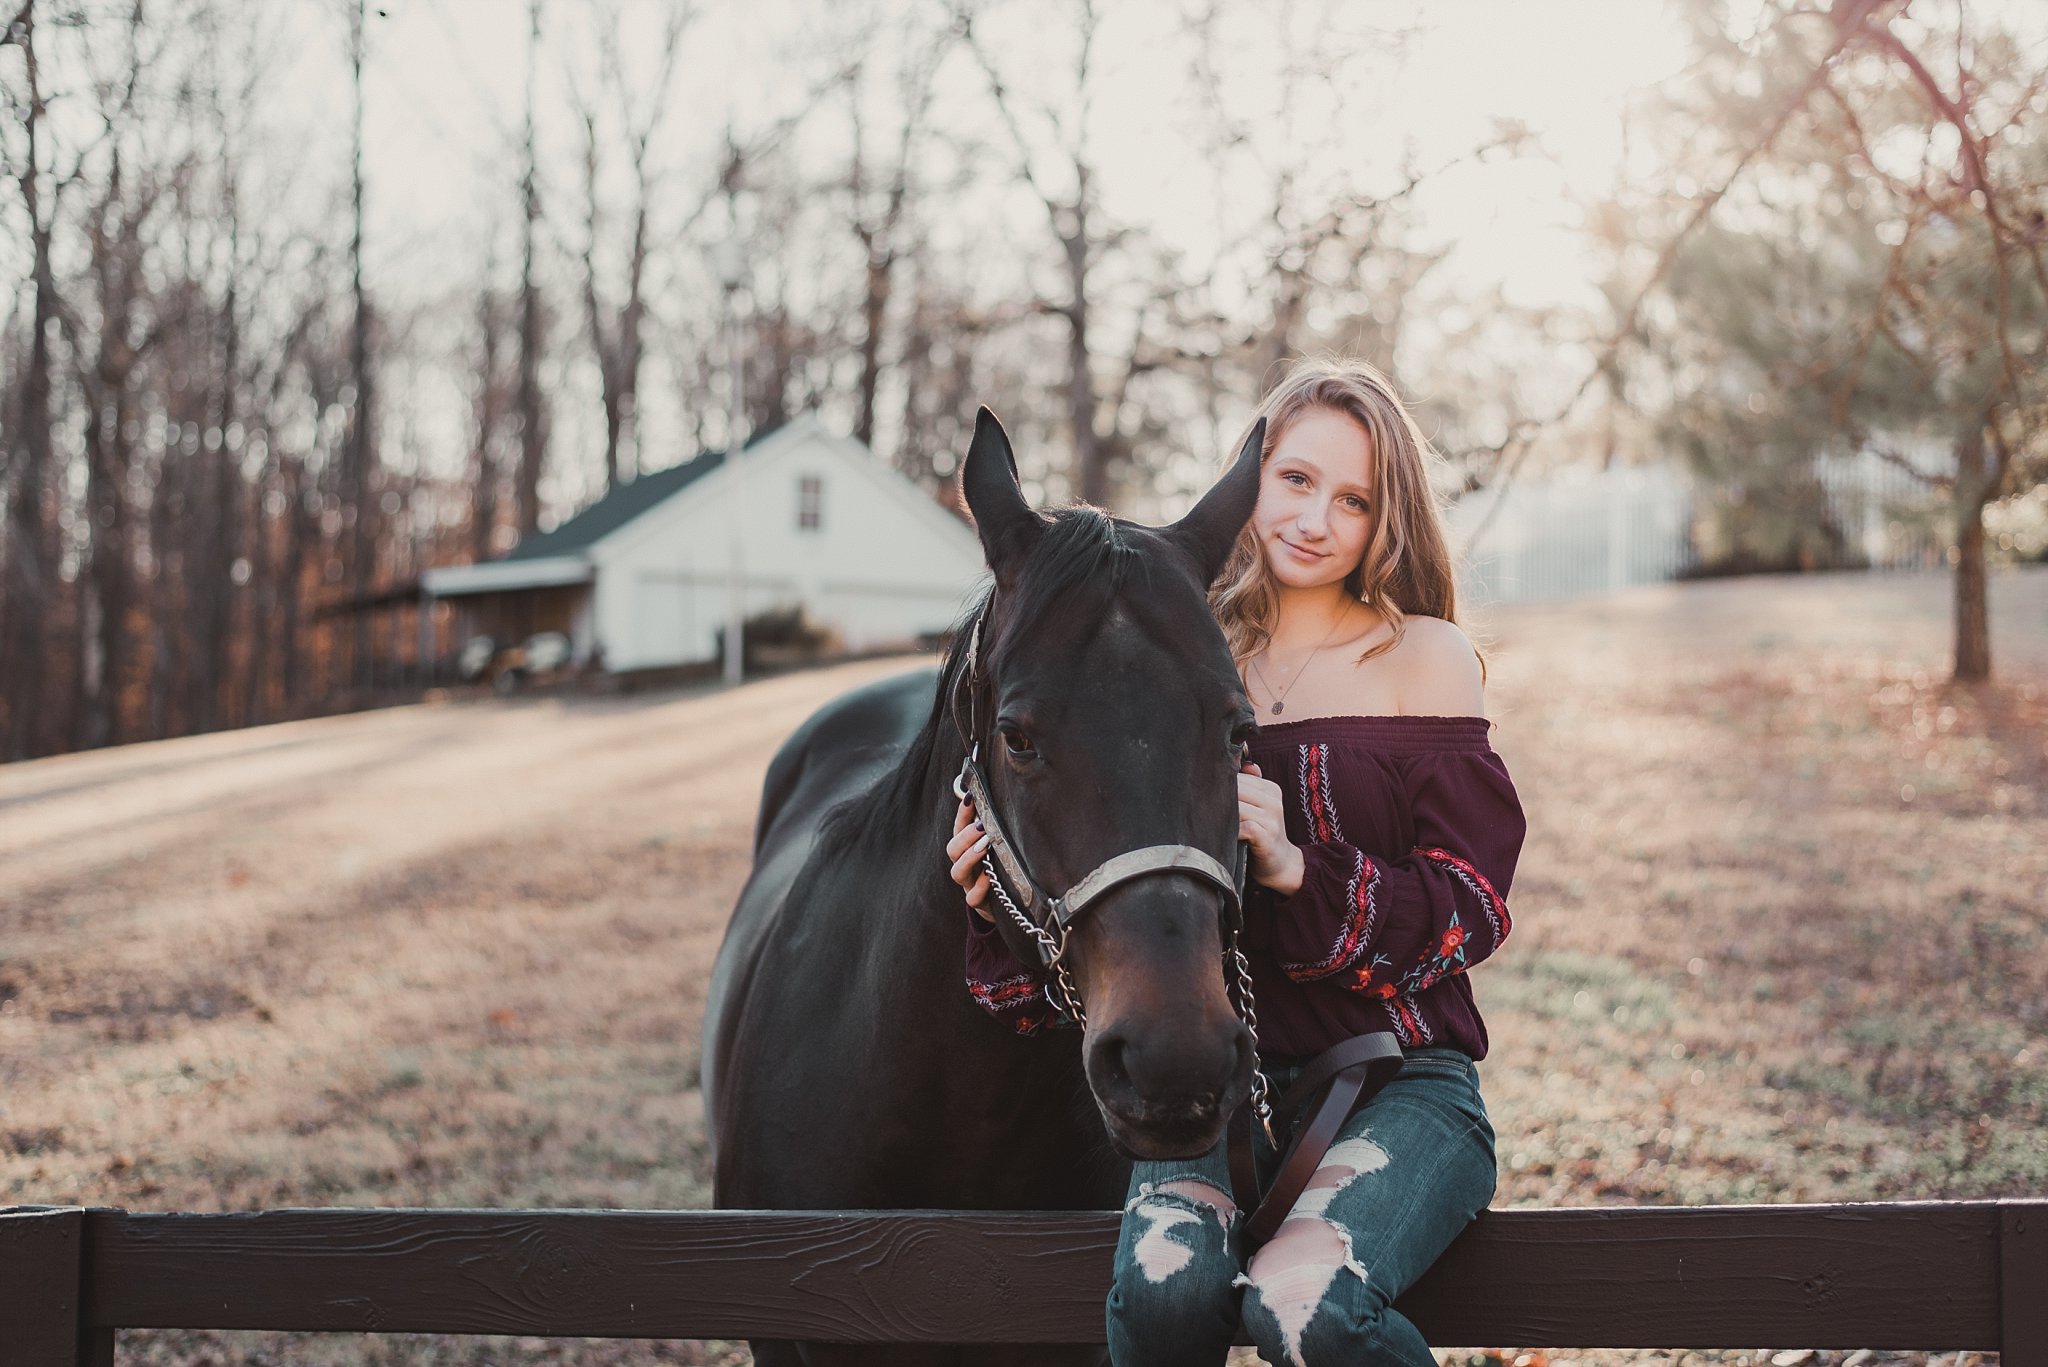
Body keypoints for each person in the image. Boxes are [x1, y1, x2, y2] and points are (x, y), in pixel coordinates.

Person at [944, 357, 1526, 1367]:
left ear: (1386, 519)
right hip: (1216, 1087)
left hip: (1398, 1082)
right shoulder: (1180, 662)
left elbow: (1469, 905)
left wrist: (1303, 869)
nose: (1314, 518)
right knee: (1166, 1305)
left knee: (1308, 1307)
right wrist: (998, 900)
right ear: (1247, 479)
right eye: (1293, 479)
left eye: (1353, 498)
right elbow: (1112, 924)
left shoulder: (1421, 655)